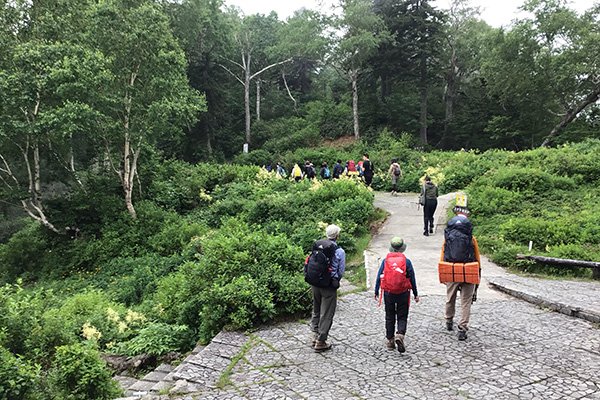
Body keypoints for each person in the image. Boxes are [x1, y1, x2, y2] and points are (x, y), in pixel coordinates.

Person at [441, 206, 481, 341]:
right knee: (466, 301)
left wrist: (444, 271)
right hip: (469, 269)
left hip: (452, 269)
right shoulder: (471, 239)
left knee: (450, 297)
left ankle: (448, 320)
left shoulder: (448, 238)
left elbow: (443, 255)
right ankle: (462, 328)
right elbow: (477, 257)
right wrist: (478, 273)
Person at [374, 237, 419, 353]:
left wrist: (376, 290)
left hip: (388, 292)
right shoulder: (406, 261)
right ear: (402, 248)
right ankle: (400, 334)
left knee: (389, 316)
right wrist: (415, 293)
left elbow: (379, 275)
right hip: (403, 292)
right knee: (402, 315)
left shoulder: (385, 261)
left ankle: (390, 341)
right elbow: (412, 278)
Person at [308, 224, 346, 352]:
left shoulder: (318, 246)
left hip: (315, 283)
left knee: (316, 309)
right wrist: (335, 280)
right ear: (337, 236)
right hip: (328, 286)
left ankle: (314, 335)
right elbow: (340, 271)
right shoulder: (339, 251)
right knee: (327, 313)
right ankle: (321, 341)